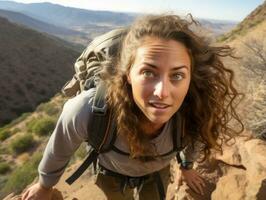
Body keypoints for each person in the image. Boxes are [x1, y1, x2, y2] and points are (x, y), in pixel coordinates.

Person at [21, 14, 243, 200]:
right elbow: (60, 148)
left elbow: (194, 139)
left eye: (177, 75)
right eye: (148, 72)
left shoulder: (193, 109)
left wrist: (186, 167)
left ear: (190, 78)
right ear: (127, 74)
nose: (162, 92)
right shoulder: (88, 109)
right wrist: (45, 185)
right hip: (110, 174)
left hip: (158, 173)